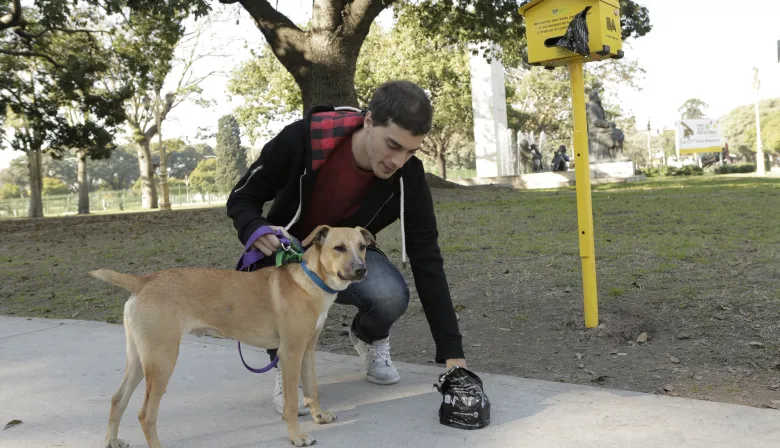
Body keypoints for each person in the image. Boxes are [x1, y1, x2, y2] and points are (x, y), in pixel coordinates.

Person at [226, 80, 465, 416]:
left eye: (411, 151)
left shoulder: (407, 174)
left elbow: (426, 253)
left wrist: (453, 355)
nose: (399, 160)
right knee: (283, 302)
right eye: (393, 145)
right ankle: (287, 364)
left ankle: (368, 337)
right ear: (369, 122)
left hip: (347, 257)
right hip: (288, 256)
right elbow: (242, 197)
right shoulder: (303, 139)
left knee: (390, 294)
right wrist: (254, 227)